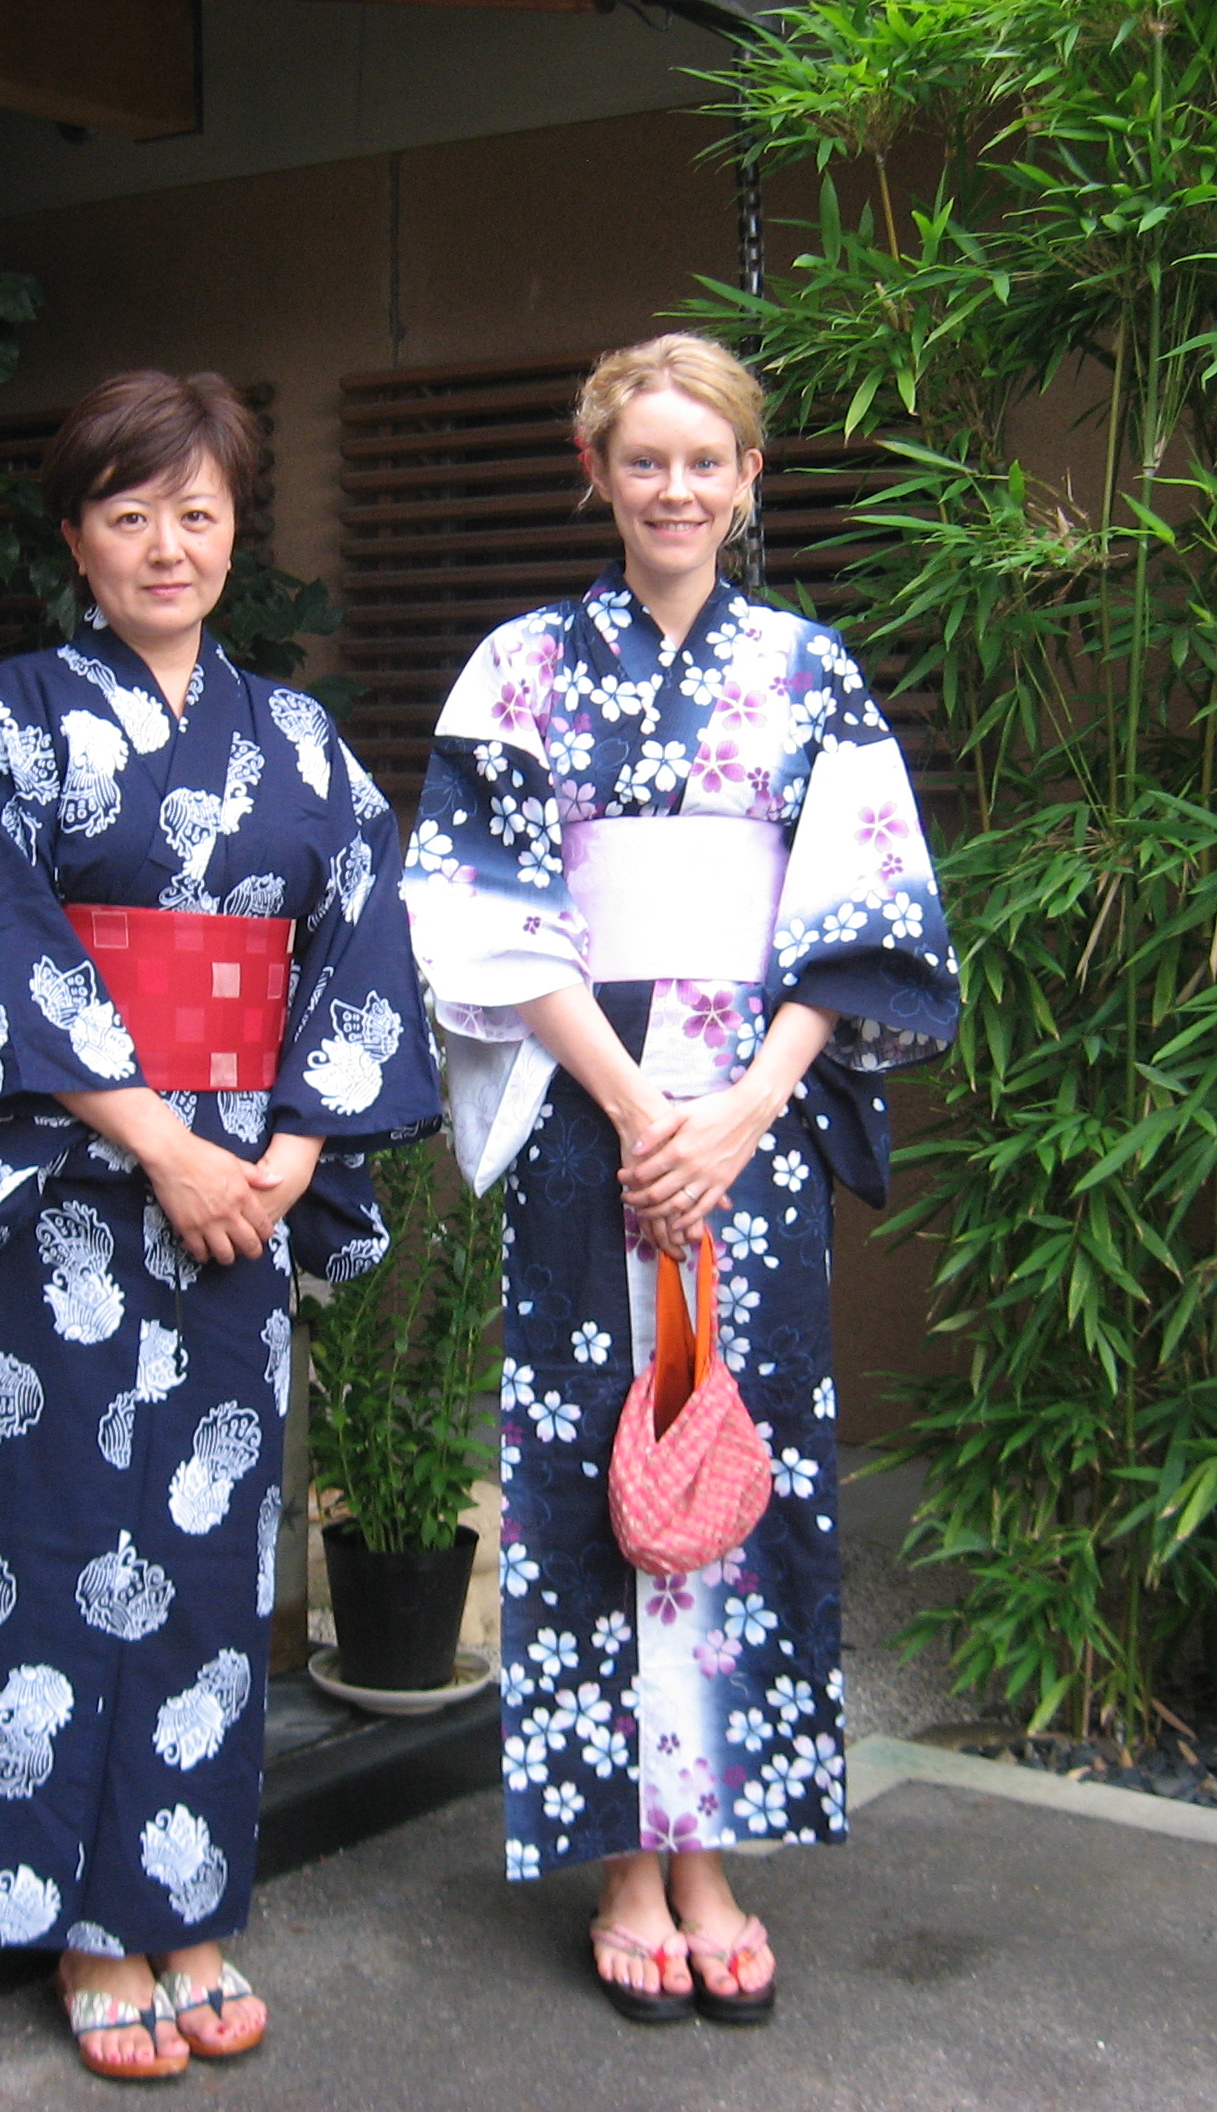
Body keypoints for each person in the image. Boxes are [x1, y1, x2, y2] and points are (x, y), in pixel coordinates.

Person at [403, 334, 959, 2024]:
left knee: (738, 1460)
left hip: (757, 1131)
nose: (674, 490)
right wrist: (644, 1105)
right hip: (596, 1115)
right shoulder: (520, 668)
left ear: (747, 479)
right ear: (598, 471)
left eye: (703, 462)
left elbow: (867, 912)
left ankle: (704, 1844)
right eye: (642, 460)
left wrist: (737, 1110)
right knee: (590, 1473)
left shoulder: (808, 669)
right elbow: (476, 899)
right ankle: (620, 1863)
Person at [0, 370, 439, 2080]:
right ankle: (74, 1920)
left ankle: (184, 1903)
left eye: (197, 512)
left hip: (243, 1206)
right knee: (60, 1540)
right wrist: (162, 1145)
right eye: (129, 512)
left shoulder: (294, 741)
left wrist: (289, 1151)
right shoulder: (8, 715)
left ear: (233, 532)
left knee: (213, 1566)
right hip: (85, 1197)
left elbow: (366, 933)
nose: (166, 543)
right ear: (76, 534)